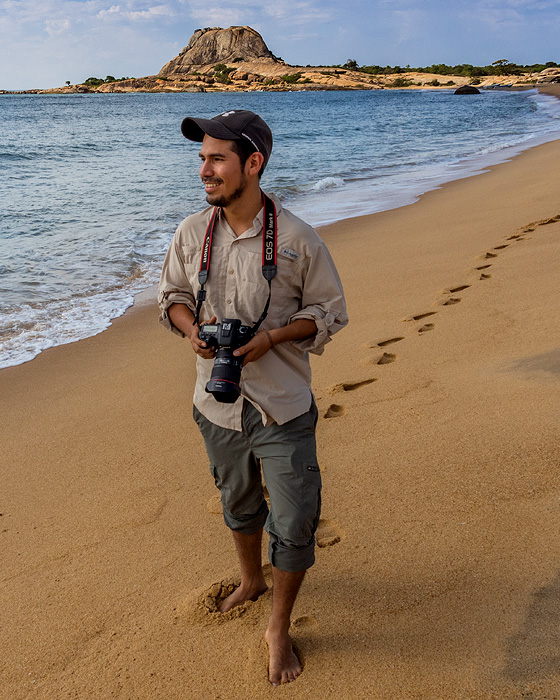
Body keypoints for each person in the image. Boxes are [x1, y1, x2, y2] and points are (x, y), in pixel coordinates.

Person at [158, 110, 347, 685]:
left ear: (253, 163)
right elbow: (169, 297)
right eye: (201, 159)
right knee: (237, 502)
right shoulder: (192, 232)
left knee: (293, 522)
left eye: (216, 159)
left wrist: (271, 338)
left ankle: (278, 625)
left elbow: (329, 313)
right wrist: (193, 331)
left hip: (283, 404)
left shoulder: (296, 239)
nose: (204, 171)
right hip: (216, 403)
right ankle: (251, 580)